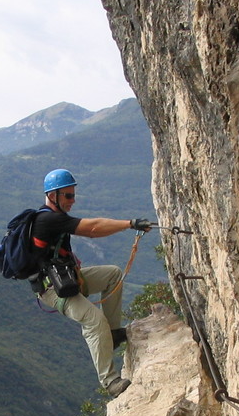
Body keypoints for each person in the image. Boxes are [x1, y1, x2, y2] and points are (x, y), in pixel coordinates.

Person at [30, 168, 152, 397]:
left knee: (113, 275)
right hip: (51, 289)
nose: (72, 201)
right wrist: (130, 223)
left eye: (73, 195)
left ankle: (114, 333)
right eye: (68, 196)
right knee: (94, 321)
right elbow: (93, 229)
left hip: (66, 277)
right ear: (52, 195)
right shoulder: (48, 219)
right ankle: (110, 381)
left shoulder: (56, 218)